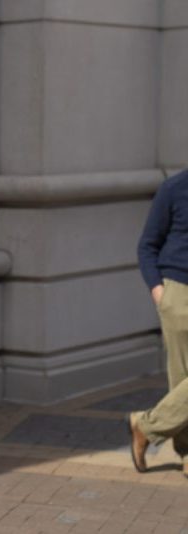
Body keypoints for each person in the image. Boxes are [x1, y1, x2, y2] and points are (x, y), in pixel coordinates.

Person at [132, 168, 188, 478]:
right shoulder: (174, 188)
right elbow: (147, 245)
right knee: (182, 377)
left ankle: (145, 425)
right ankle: (187, 453)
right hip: (179, 291)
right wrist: (159, 291)